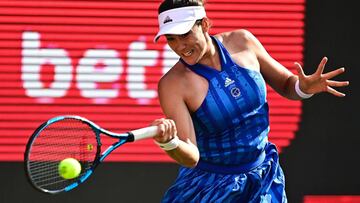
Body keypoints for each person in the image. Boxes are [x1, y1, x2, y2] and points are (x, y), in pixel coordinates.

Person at [151, 0, 349, 202]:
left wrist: (303, 88)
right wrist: (170, 142)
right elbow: (191, 156)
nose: (179, 46)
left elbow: (287, 84)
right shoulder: (172, 84)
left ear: (205, 24)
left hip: (264, 177)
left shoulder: (243, 41)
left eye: (185, 34)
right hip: (211, 190)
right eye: (171, 38)